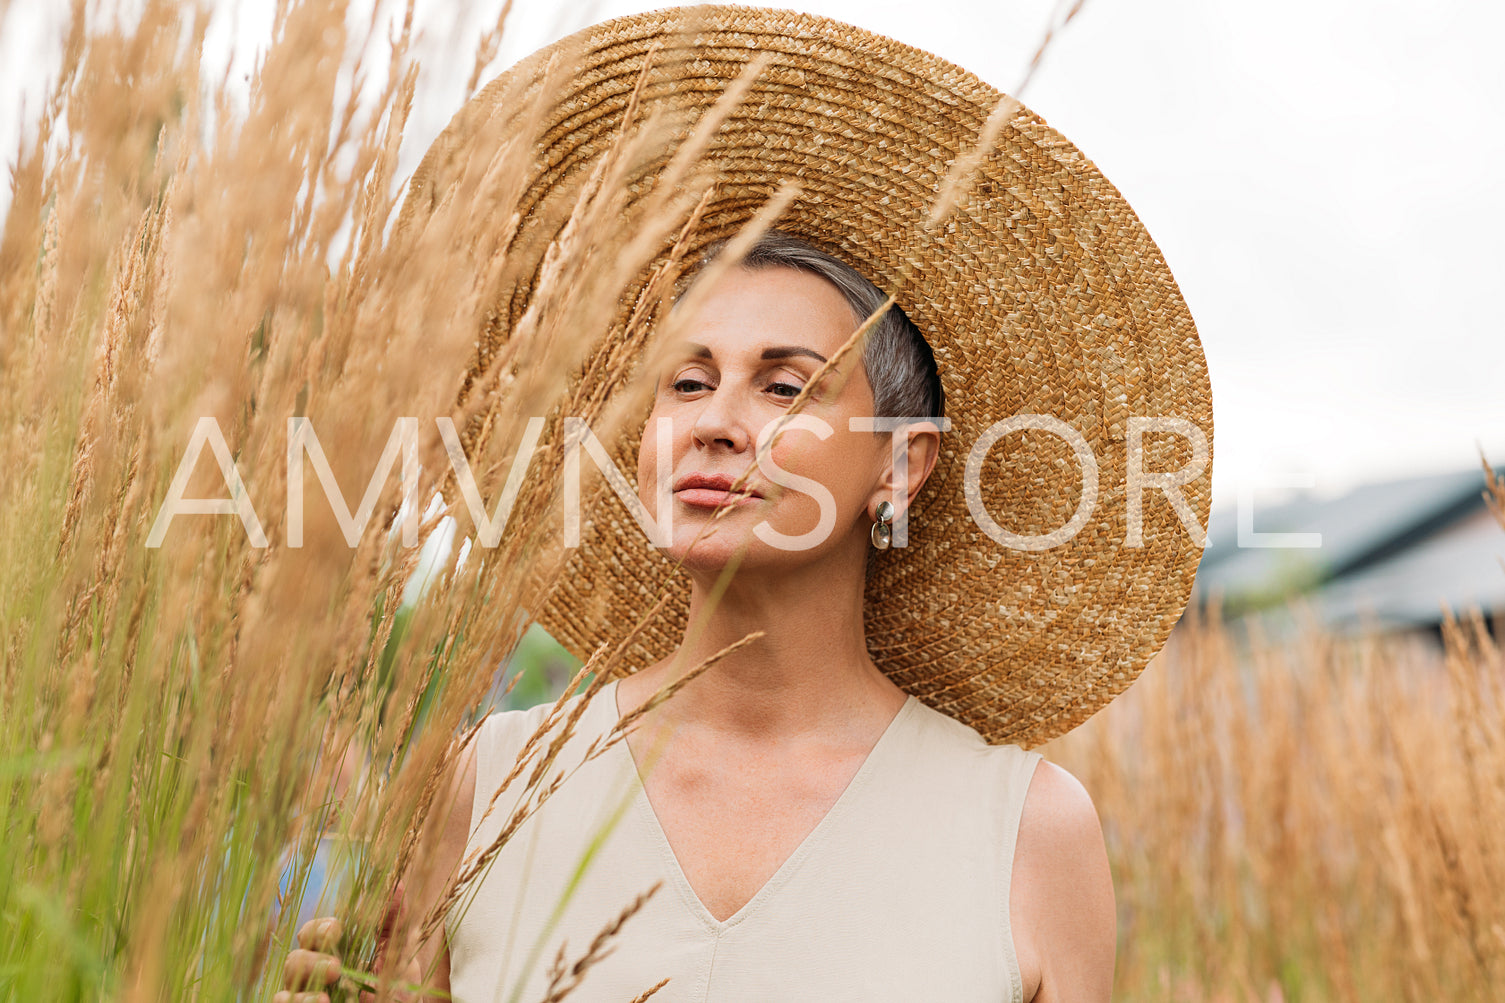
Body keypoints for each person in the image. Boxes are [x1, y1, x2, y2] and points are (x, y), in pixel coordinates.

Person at [278, 7, 1212, 1002]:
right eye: (683, 382)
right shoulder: (487, 784)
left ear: (901, 465)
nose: (712, 423)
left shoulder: (1024, 830)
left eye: (785, 386)